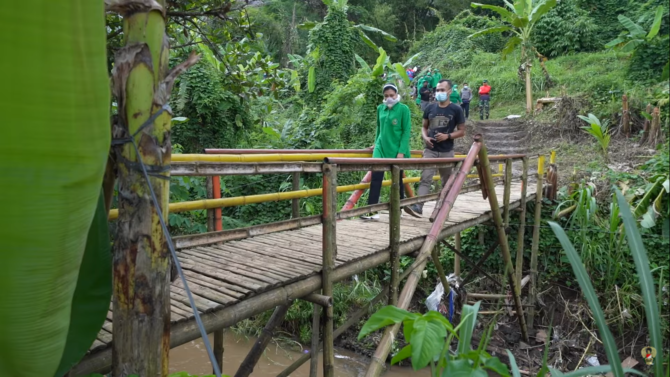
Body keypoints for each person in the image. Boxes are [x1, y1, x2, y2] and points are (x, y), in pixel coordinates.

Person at [362, 84, 420, 220]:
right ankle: (372, 210)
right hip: (381, 147)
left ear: (396, 95)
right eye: (386, 96)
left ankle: (397, 209)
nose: (389, 98)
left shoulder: (403, 109)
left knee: (397, 180)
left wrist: (401, 152)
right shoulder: (380, 108)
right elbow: (378, 127)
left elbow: (406, 131)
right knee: (376, 177)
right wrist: (376, 142)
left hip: (396, 148)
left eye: (391, 95)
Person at [408, 79, 466, 216]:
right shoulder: (429, 108)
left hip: (447, 151)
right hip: (430, 149)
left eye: (442, 90)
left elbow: (462, 131)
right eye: (438, 90)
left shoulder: (456, 109)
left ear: (449, 91)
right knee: (426, 177)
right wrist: (425, 137)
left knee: (446, 180)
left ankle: (443, 208)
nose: (439, 92)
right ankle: (418, 206)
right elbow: (424, 126)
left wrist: (448, 136)